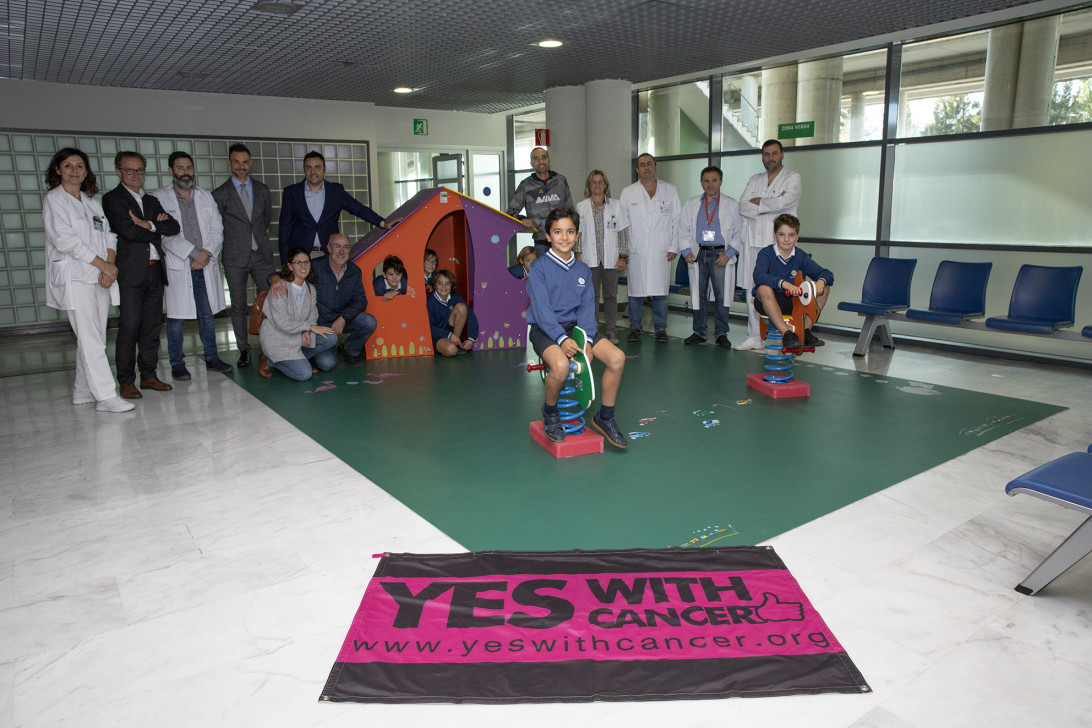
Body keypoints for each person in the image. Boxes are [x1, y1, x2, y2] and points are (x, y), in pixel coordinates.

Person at [42, 147, 133, 413]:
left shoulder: (90, 201)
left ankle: (83, 390)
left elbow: (109, 236)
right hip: (75, 277)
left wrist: (109, 266)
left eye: (79, 166)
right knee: (91, 337)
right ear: (58, 170)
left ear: (86, 172)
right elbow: (64, 240)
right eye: (68, 165)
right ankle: (106, 395)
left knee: (93, 336)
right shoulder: (54, 200)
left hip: (100, 275)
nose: (74, 170)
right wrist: (103, 265)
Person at [527, 206, 627, 449]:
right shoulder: (539, 268)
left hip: (577, 329)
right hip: (545, 329)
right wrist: (561, 340)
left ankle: (605, 417)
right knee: (560, 367)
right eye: (558, 232)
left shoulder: (582, 269)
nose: (564, 237)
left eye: (570, 231)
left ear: (577, 235)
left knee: (617, 358)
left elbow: (587, 311)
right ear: (548, 236)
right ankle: (550, 411)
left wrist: (587, 342)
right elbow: (542, 311)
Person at [102, 151, 180, 399]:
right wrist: (156, 229)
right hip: (130, 275)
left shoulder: (151, 200)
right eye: (129, 170)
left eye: (140, 170)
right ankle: (126, 380)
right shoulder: (113, 199)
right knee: (130, 327)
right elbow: (127, 231)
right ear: (118, 172)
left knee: (151, 327)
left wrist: (148, 224)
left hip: (154, 272)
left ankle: (148, 375)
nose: (136, 175)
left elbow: (174, 227)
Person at [153, 151, 233, 380]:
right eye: (180, 168)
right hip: (180, 264)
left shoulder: (205, 196)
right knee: (176, 318)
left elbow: (217, 228)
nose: (185, 172)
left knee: (207, 315)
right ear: (171, 171)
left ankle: (212, 357)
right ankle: (177, 362)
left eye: (188, 167)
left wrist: (206, 253)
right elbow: (164, 234)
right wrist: (194, 254)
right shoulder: (159, 198)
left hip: (205, 263)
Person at [212, 143, 275, 368]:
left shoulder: (262, 189)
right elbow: (217, 226)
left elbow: (265, 220)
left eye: (245, 162)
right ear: (229, 163)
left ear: (251, 163)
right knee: (238, 306)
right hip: (234, 257)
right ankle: (244, 349)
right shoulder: (219, 194)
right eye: (236, 162)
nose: (241, 167)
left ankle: (271, 346)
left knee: (271, 299)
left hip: (261, 254)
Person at [736, 140, 802, 351]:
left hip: (778, 244)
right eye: (766, 154)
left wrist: (759, 202)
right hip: (754, 242)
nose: (770, 158)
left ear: (782, 155)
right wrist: (770, 203)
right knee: (751, 289)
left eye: (774, 153)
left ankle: (786, 332)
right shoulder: (755, 179)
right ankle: (755, 336)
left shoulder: (793, 178)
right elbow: (742, 206)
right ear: (762, 157)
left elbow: (785, 204)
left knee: (778, 289)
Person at [278, 151, 397, 260]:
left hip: (329, 255)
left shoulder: (336, 191)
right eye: (308, 167)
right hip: (301, 256)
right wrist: (285, 262)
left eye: (317, 167)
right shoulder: (292, 192)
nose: (313, 172)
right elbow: (284, 229)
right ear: (304, 169)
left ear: (324, 168)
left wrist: (383, 223)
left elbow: (359, 209)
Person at [678, 166, 743, 348]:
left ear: (721, 182)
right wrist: (685, 251)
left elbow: (739, 232)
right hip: (698, 253)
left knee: (722, 296)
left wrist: (728, 254)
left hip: (720, 254)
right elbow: (682, 230)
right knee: (699, 295)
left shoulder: (731, 204)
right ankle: (699, 331)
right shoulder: (691, 204)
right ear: (701, 182)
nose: (710, 184)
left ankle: (721, 333)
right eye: (706, 180)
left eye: (714, 180)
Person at [619, 153, 680, 343]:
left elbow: (677, 219)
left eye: (649, 164)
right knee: (635, 291)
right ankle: (635, 327)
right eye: (642, 165)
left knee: (660, 291)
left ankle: (661, 328)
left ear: (656, 166)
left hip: (662, 248)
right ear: (637, 170)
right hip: (636, 249)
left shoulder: (669, 190)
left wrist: (674, 245)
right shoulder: (628, 192)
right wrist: (623, 250)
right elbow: (622, 223)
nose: (646, 167)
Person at [752, 214, 832, 350]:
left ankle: (805, 332)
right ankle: (787, 334)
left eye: (791, 235)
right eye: (782, 234)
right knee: (764, 289)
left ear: (797, 236)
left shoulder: (800, 255)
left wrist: (820, 282)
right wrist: (783, 283)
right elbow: (758, 276)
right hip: (768, 301)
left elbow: (827, 273)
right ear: (774, 235)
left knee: (826, 287)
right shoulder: (765, 254)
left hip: (792, 302)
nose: (787, 239)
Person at [258, 247, 338, 380]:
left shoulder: (310, 288)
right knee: (304, 374)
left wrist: (306, 331)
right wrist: (309, 328)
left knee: (331, 337)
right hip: (279, 338)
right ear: (290, 266)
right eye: (298, 263)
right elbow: (281, 322)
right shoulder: (279, 287)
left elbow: (313, 314)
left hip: (296, 337)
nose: (303, 266)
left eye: (306, 262)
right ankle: (269, 360)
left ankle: (298, 361)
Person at [575, 170, 630, 345]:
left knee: (610, 297)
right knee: (590, 298)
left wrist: (623, 257)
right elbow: (577, 234)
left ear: (605, 185)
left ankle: (612, 332)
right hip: (588, 260)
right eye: (594, 182)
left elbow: (623, 233)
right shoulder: (581, 207)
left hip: (611, 260)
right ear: (589, 185)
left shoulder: (616, 205)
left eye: (601, 182)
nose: (597, 185)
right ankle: (593, 333)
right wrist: (577, 255)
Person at [506, 147, 574, 258]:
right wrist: (522, 219)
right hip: (541, 244)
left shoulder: (561, 181)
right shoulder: (526, 185)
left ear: (549, 160)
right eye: (536, 159)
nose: (541, 161)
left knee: (564, 274)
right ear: (531, 163)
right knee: (544, 275)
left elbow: (570, 211)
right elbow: (510, 212)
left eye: (543, 157)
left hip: (563, 242)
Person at [427, 269, 478, 357]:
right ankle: (450, 345)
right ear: (435, 285)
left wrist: (471, 339)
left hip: (452, 333)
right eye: (440, 283)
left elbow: (471, 315)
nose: (444, 286)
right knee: (451, 350)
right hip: (436, 335)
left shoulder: (455, 297)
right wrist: (449, 335)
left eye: (447, 283)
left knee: (462, 307)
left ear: (451, 285)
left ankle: (455, 343)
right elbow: (429, 328)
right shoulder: (430, 301)